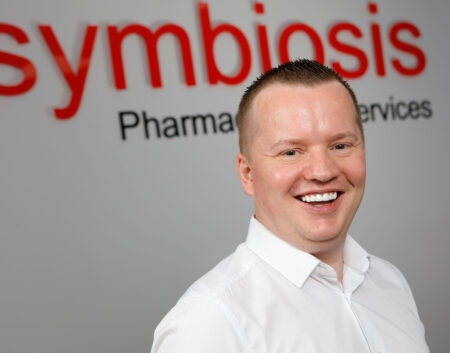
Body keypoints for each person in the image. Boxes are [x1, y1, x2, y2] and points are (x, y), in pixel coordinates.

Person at [150, 59, 429, 353]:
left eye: (340, 146)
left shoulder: (389, 282)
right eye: (291, 152)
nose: (322, 172)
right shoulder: (210, 323)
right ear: (248, 174)